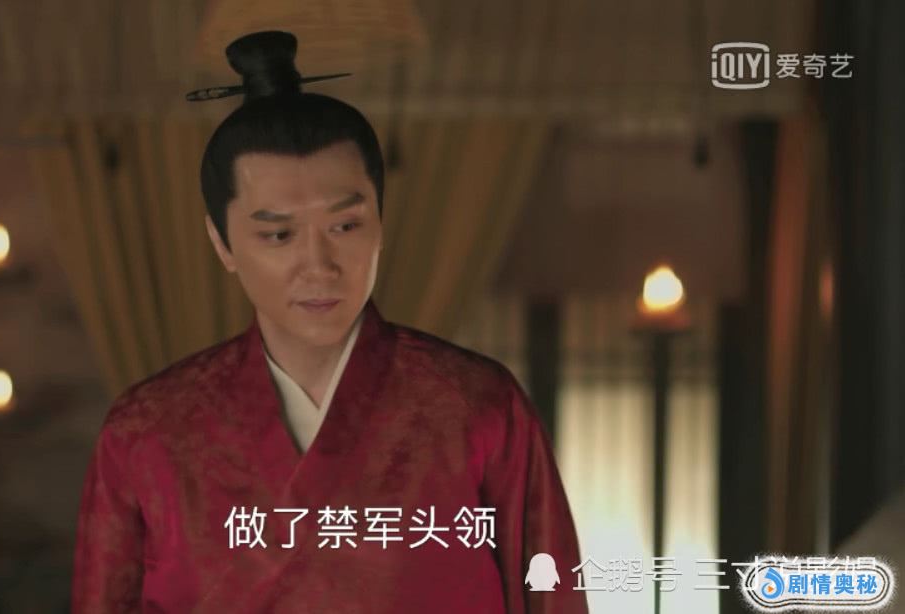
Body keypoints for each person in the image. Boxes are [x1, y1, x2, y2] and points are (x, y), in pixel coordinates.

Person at [71, 30, 588, 614]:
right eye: (278, 235)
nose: (318, 266)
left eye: (345, 226)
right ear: (222, 242)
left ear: (380, 222)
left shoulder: (477, 406)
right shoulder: (146, 431)